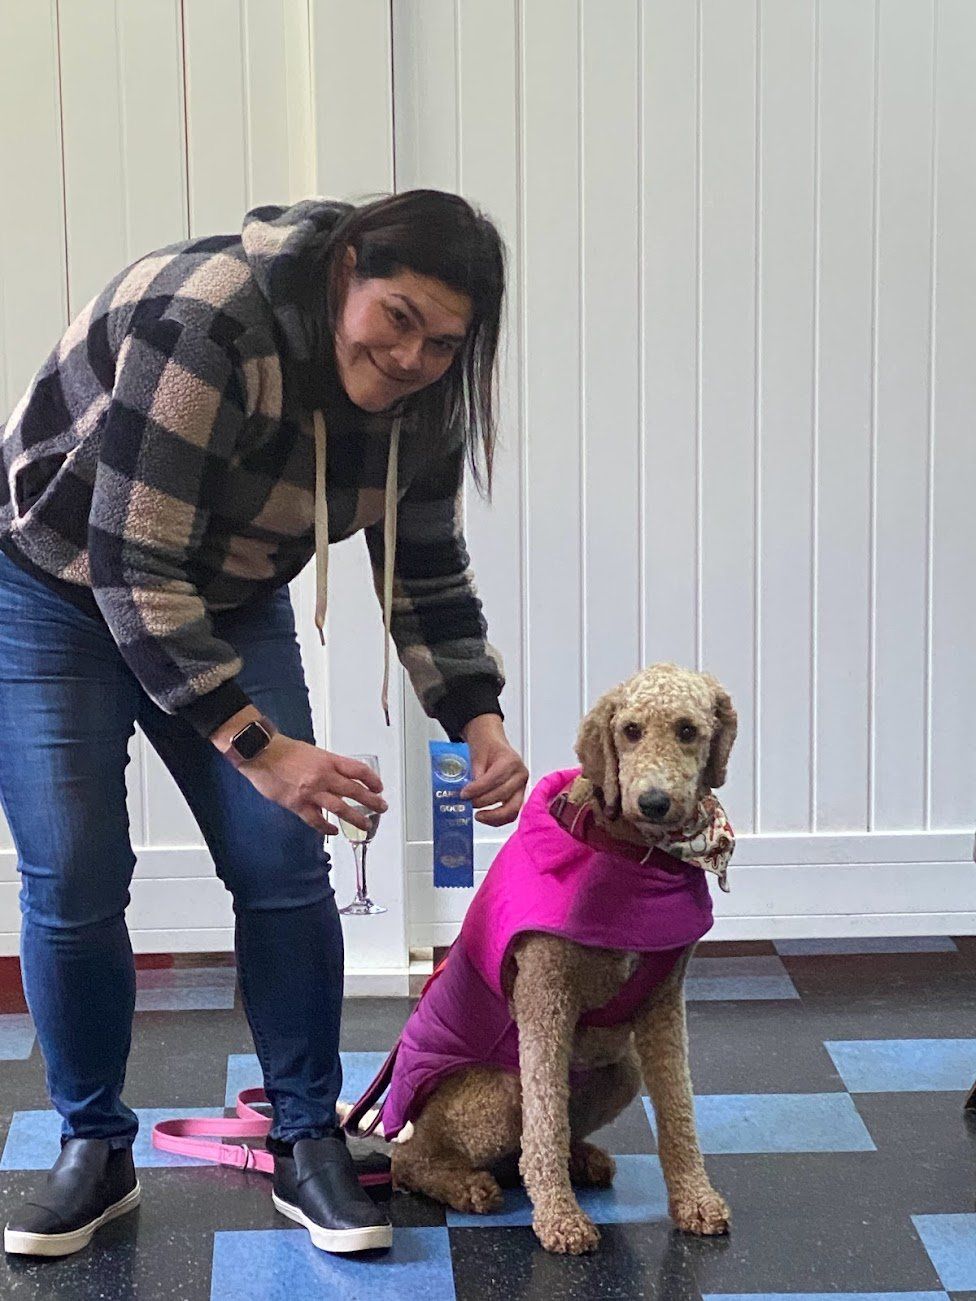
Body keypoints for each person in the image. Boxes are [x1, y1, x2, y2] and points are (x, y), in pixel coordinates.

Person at [0, 190, 528, 1258]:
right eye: (398, 318)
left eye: (445, 341)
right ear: (345, 272)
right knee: (74, 870)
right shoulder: (209, 322)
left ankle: (304, 1140)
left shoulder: (427, 395)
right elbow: (130, 561)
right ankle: (94, 1148)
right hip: (54, 583)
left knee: (283, 854)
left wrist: (476, 715)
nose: (415, 355)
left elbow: (420, 562)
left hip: (228, 589)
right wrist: (258, 743)